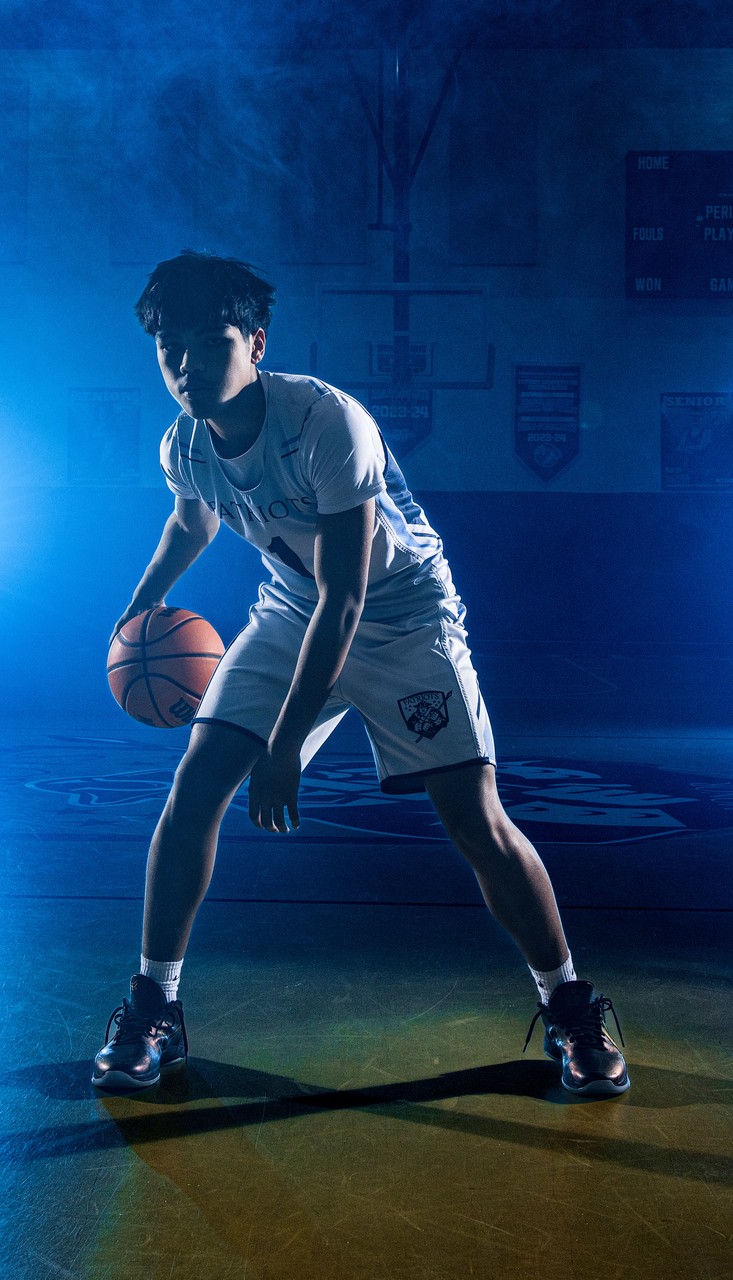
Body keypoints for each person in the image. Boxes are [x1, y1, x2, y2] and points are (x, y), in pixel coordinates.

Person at [92, 250, 629, 1097]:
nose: (187, 363)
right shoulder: (183, 443)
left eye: (209, 341)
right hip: (290, 609)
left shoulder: (326, 423)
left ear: (255, 343)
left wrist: (283, 746)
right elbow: (191, 524)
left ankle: (569, 1005)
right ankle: (154, 1005)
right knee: (194, 790)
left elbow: (347, 598)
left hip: (402, 615)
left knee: (475, 822)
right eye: (170, 346)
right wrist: (139, 607)